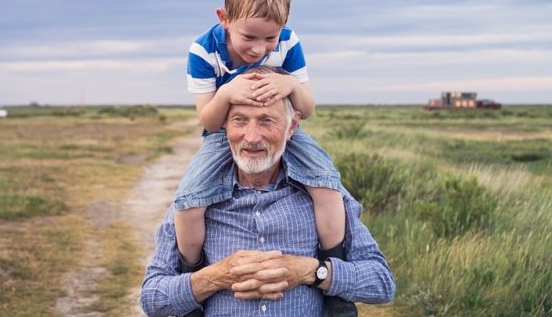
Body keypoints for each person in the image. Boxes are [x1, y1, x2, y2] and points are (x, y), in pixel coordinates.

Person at [176, 0, 353, 313]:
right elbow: (209, 120)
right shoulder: (203, 51)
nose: (259, 49)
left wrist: (289, 83)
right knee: (188, 199)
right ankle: (192, 278)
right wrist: (228, 94)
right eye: (249, 37)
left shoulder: (289, 43)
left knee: (327, 184)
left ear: (284, 27)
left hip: (286, 128)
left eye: (269, 37)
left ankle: (335, 286)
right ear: (224, 18)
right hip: (224, 131)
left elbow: (308, 106)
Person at [141, 94, 396, 316]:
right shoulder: (194, 199)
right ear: (224, 127)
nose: (252, 137)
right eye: (239, 120)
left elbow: (381, 283)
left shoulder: (327, 196)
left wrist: (311, 271)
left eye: (266, 120)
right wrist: (215, 276)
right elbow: (152, 299)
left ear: (292, 125)